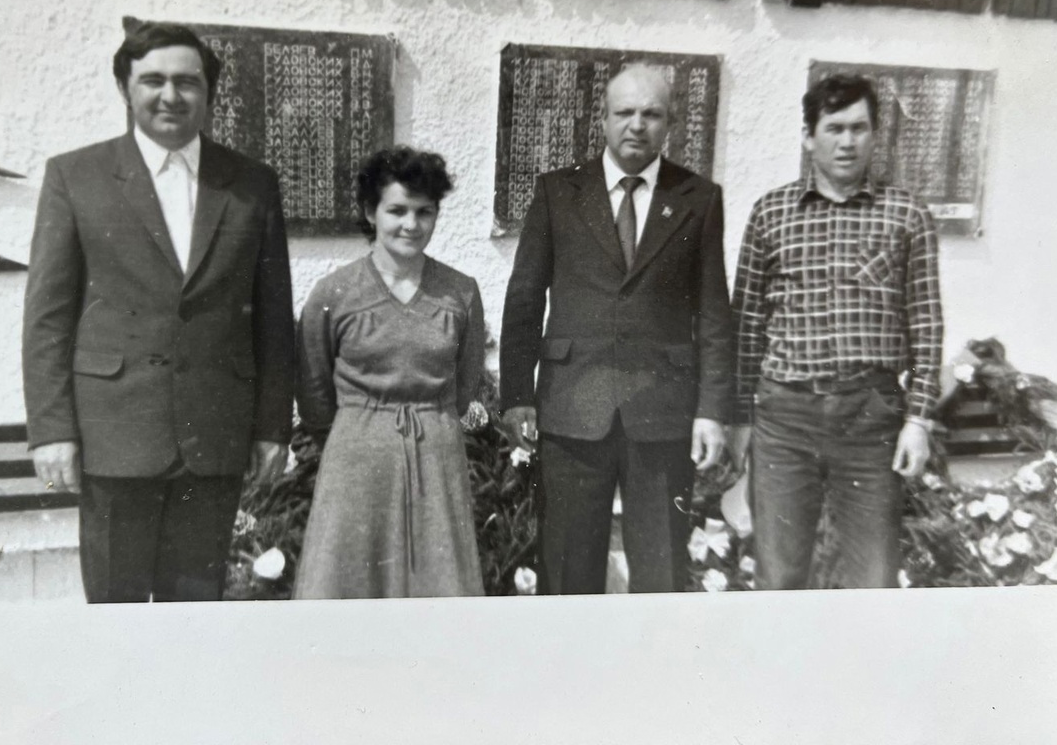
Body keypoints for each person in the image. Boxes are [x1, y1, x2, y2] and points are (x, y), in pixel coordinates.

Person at [22, 22, 294, 603]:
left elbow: (273, 318)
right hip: (114, 436)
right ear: (126, 88)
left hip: (213, 438)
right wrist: (51, 430)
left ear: (208, 92)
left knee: (194, 615)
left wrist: (273, 427)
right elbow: (48, 316)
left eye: (187, 82)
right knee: (116, 614)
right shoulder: (75, 177)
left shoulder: (251, 184)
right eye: (153, 81)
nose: (170, 95)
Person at [500, 63, 733, 594]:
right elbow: (524, 300)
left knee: (660, 569)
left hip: (663, 412)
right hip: (572, 407)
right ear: (602, 119)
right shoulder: (558, 192)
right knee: (567, 570)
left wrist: (712, 410)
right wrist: (517, 396)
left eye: (652, 114)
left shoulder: (698, 198)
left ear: (670, 123)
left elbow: (714, 312)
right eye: (624, 112)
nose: (637, 125)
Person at [731, 73, 943, 590]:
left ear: (874, 135)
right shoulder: (770, 213)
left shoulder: (907, 215)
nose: (847, 142)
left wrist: (918, 420)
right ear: (809, 137)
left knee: (872, 578)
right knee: (779, 576)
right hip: (785, 419)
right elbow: (746, 325)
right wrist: (739, 417)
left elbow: (927, 323)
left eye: (859, 128)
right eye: (834, 128)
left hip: (869, 419)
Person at [293, 146, 485, 598]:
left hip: (435, 457)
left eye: (424, 212)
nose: (411, 225)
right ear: (370, 212)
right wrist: (365, 425)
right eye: (397, 210)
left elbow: (465, 383)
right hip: (357, 460)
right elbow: (314, 390)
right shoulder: (334, 294)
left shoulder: (460, 293)